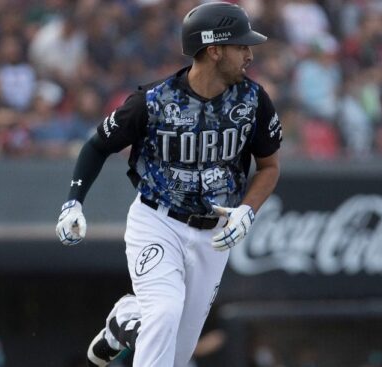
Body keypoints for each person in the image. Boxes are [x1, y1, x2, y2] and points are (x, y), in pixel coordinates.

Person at [54, 2, 282, 367]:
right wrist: (73, 202)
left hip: (214, 235)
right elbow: (97, 145)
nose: (250, 55)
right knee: (163, 313)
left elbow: (269, 167)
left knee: (175, 355)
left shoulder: (254, 102)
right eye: (242, 46)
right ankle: (138, 318)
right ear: (214, 49)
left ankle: (126, 320)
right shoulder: (153, 101)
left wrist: (247, 211)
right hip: (157, 222)